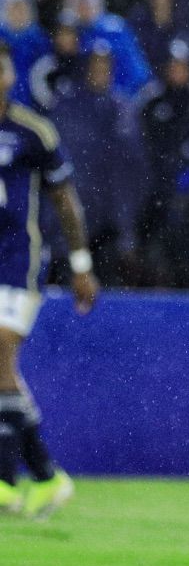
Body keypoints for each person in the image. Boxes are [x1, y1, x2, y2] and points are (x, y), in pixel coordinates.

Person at [0, 40, 98, 517]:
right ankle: (44, 475)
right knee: (3, 372)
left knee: (1, 351)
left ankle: (7, 480)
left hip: (18, 262)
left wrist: (80, 264)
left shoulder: (32, 132)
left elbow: (64, 200)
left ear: (8, 74)